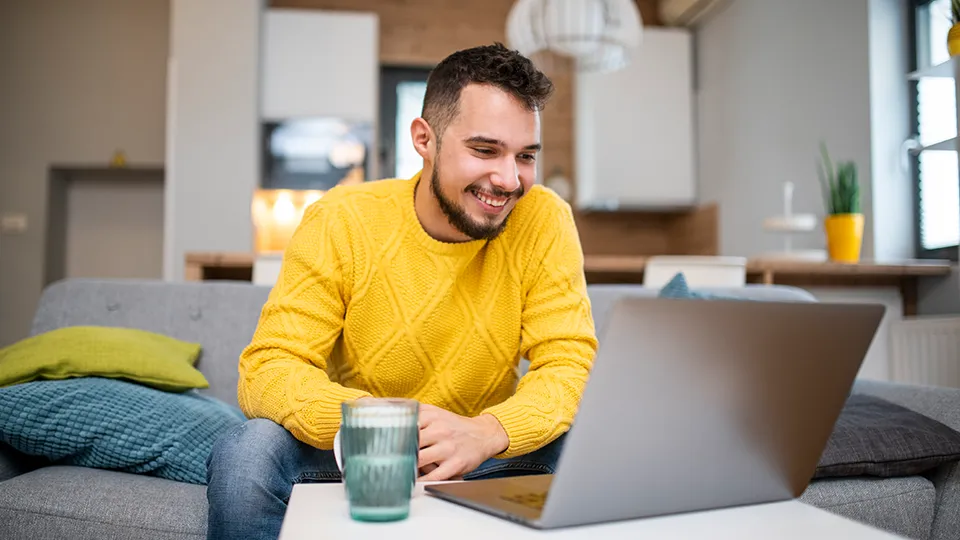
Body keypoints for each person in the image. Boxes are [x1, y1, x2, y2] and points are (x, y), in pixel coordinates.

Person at [205, 43, 598, 540]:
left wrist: (488, 432)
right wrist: (383, 426)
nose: (508, 179)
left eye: (525, 156)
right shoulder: (341, 219)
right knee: (247, 451)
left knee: (594, 444)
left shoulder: (544, 219)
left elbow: (568, 365)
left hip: (482, 451)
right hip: (357, 455)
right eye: (484, 150)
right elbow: (268, 369)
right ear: (423, 139)